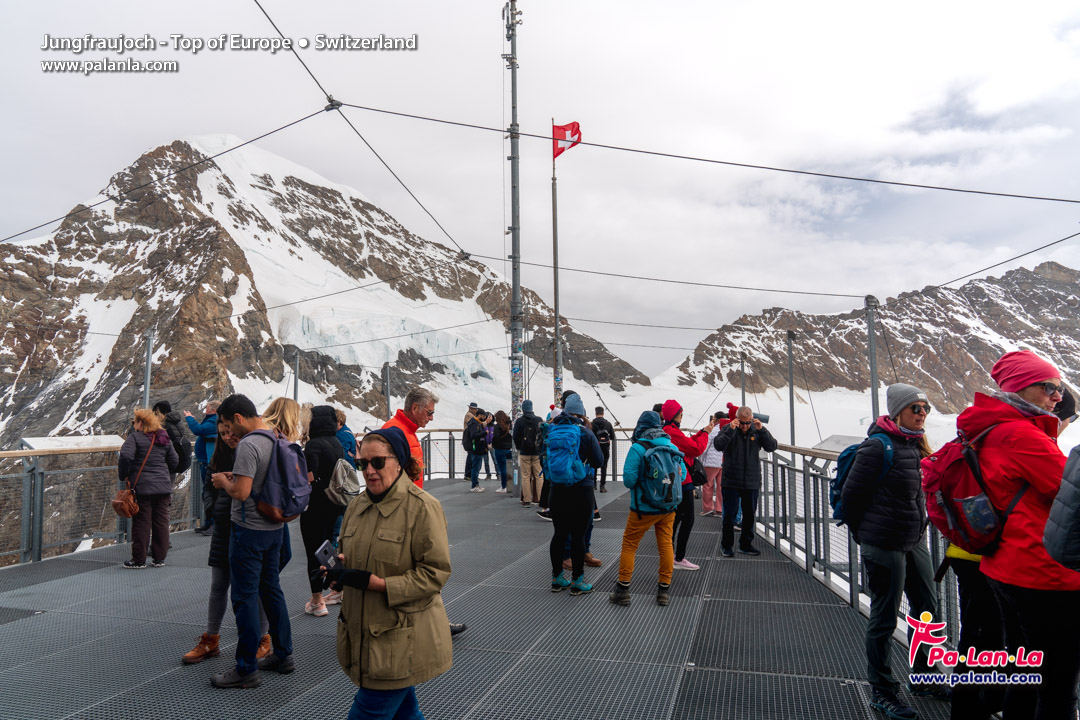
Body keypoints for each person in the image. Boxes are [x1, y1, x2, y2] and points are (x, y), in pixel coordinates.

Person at [957, 350, 1080, 717]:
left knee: (1024, 673)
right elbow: (1069, 491)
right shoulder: (1022, 436)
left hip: (1004, 566)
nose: (1058, 397)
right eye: (1049, 388)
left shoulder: (989, 428)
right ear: (1020, 388)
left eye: (1058, 389)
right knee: (1058, 688)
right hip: (1042, 574)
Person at [319, 427, 452, 720]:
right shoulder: (357, 506)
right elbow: (356, 555)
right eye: (362, 463)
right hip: (365, 634)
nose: (369, 470)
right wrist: (340, 568)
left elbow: (435, 573)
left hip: (398, 638)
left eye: (377, 462)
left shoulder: (423, 508)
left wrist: (379, 584)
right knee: (406, 713)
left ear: (399, 462)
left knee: (369, 712)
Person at [841, 383, 944, 719]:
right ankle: (882, 692)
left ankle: (924, 677)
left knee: (927, 606)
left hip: (913, 542)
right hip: (883, 544)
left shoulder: (916, 446)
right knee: (884, 618)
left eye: (925, 408)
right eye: (915, 408)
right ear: (898, 410)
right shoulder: (878, 447)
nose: (922, 414)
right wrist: (868, 538)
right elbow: (851, 499)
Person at [210, 394, 294, 689]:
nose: (229, 434)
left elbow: (242, 492)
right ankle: (283, 654)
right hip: (273, 528)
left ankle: (246, 668)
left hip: (249, 531)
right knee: (271, 590)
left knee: (244, 597)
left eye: (228, 426)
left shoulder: (248, 443)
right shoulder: (275, 436)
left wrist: (224, 482)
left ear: (238, 417)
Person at [182, 421, 272, 665]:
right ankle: (211, 638)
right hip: (224, 526)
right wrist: (212, 507)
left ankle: (263, 638)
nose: (228, 437)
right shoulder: (222, 451)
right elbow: (209, 483)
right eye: (222, 434)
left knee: (255, 586)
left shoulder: (253, 448)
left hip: (248, 526)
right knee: (219, 583)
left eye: (230, 432)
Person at [609, 410, 682, 607]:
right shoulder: (671, 446)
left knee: (630, 545)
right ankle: (663, 591)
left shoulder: (638, 448)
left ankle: (623, 590)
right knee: (666, 544)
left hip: (642, 508)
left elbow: (629, 480)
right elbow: (680, 477)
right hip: (668, 507)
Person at [547, 393, 604, 596]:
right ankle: (577, 581)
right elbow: (598, 461)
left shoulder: (553, 429)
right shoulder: (586, 434)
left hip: (557, 489)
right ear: (582, 413)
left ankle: (556, 578)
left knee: (559, 534)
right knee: (578, 536)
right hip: (581, 489)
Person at [300, 405, 345, 618]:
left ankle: (317, 600)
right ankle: (337, 587)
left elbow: (310, 477)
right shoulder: (336, 443)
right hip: (334, 504)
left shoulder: (313, 446)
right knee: (328, 549)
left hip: (315, 506)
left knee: (313, 551)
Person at [713, 406, 776, 558]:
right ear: (736, 419)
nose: (745, 426)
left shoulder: (757, 430)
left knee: (749, 515)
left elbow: (772, 446)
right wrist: (730, 430)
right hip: (732, 481)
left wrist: (762, 430)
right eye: (742, 422)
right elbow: (718, 445)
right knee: (730, 515)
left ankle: (745, 544)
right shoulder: (729, 429)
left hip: (751, 481)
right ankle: (726, 545)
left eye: (748, 423)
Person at [119, 409, 179, 569]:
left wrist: (124, 475)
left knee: (142, 523)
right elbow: (174, 460)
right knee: (161, 522)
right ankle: (159, 558)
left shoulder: (135, 438)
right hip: (163, 486)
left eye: (134, 422)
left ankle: (139, 560)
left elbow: (125, 456)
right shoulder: (164, 438)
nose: (134, 425)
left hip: (143, 487)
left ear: (140, 422)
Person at [660, 399, 715, 571]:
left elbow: (688, 443)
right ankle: (678, 557)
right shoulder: (672, 432)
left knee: (676, 518)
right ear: (676, 415)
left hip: (675, 481)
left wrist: (701, 432)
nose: (682, 417)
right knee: (687, 519)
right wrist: (705, 434)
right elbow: (696, 449)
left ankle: (671, 555)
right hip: (682, 481)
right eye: (681, 414)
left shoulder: (668, 431)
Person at [384, 386, 438, 489]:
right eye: (429, 413)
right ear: (415, 408)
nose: (431, 418)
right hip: (402, 501)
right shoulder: (393, 431)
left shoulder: (406, 430)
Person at [184, 401, 219, 535]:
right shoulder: (211, 420)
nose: (205, 409)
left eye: (207, 408)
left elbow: (198, 430)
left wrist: (189, 418)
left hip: (210, 465)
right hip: (206, 464)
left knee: (212, 495)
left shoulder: (214, 422)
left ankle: (214, 525)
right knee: (207, 495)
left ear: (214, 410)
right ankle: (209, 523)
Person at [700, 408, 732, 517]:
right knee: (721, 486)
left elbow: (705, 446)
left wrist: (702, 458)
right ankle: (719, 509)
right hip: (724, 462)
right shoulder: (728, 429)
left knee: (708, 485)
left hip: (711, 462)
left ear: (717, 419)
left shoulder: (712, 431)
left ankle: (708, 508)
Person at [513, 400, 543, 507]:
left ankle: (526, 499)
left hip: (525, 452)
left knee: (525, 476)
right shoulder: (538, 420)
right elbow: (542, 435)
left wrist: (519, 447)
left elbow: (515, 436)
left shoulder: (520, 421)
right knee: (539, 475)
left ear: (523, 409)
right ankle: (540, 498)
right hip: (536, 452)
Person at [591, 407, 615, 493]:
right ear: (603, 413)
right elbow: (613, 437)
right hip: (605, 448)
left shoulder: (592, 424)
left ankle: (593, 484)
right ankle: (602, 486)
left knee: (594, 466)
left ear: (595, 413)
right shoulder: (608, 424)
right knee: (604, 467)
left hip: (595, 448)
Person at [464, 409, 488, 493]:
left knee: (477, 467)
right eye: (483, 416)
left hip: (478, 448)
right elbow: (474, 435)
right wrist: (485, 433)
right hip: (475, 448)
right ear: (479, 415)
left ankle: (476, 484)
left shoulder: (477, 423)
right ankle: (474, 485)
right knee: (475, 467)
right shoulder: (474, 423)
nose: (484, 418)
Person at [491, 410, 513, 493]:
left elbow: (496, 437)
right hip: (509, 449)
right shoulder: (509, 425)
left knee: (502, 468)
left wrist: (493, 445)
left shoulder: (497, 426)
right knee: (510, 468)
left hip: (500, 449)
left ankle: (504, 486)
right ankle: (511, 486)